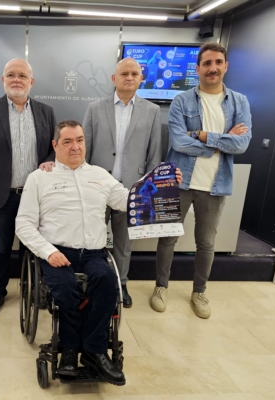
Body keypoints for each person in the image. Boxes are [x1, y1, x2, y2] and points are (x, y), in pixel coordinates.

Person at [15, 120, 182, 386]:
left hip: (94, 252)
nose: (75, 146)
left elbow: (129, 200)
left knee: (107, 283)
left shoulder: (100, 175)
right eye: (67, 141)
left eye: (79, 140)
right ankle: (69, 350)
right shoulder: (39, 178)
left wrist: (163, 184)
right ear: (55, 145)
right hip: (57, 250)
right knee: (65, 287)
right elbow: (23, 224)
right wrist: (48, 252)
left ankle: (94, 351)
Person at [152, 42, 252, 319]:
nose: (213, 68)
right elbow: (179, 141)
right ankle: (161, 287)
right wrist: (221, 142)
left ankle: (199, 291)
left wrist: (204, 135)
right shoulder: (182, 101)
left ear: (225, 66)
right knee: (168, 238)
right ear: (197, 69)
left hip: (215, 184)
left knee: (206, 243)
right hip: (180, 181)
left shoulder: (239, 102)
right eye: (207, 63)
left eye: (218, 62)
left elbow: (242, 143)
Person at [0, 58, 57, 319]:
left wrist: (50, 161)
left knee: (32, 246)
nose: (16, 79)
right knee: (1, 247)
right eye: (11, 75)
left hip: (34, 196)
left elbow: (51, 151)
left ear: (31, 82)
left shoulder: (46, 112)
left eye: (22, 75)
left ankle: (31, 289)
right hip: (2, 195)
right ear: (3, 80)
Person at [83, 57, 162, 308]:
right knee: (91, 237)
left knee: (124, 242)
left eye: (134, 74)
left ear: (141, 78)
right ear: (113, 78)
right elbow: (84, 148)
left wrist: (146, 190)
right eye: (124, 73)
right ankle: (89, 280)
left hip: (132, 189)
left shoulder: (152, 111)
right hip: (98, 186)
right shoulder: (95, 108)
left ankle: (121, 283)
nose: (129, 77)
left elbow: (154, 154)